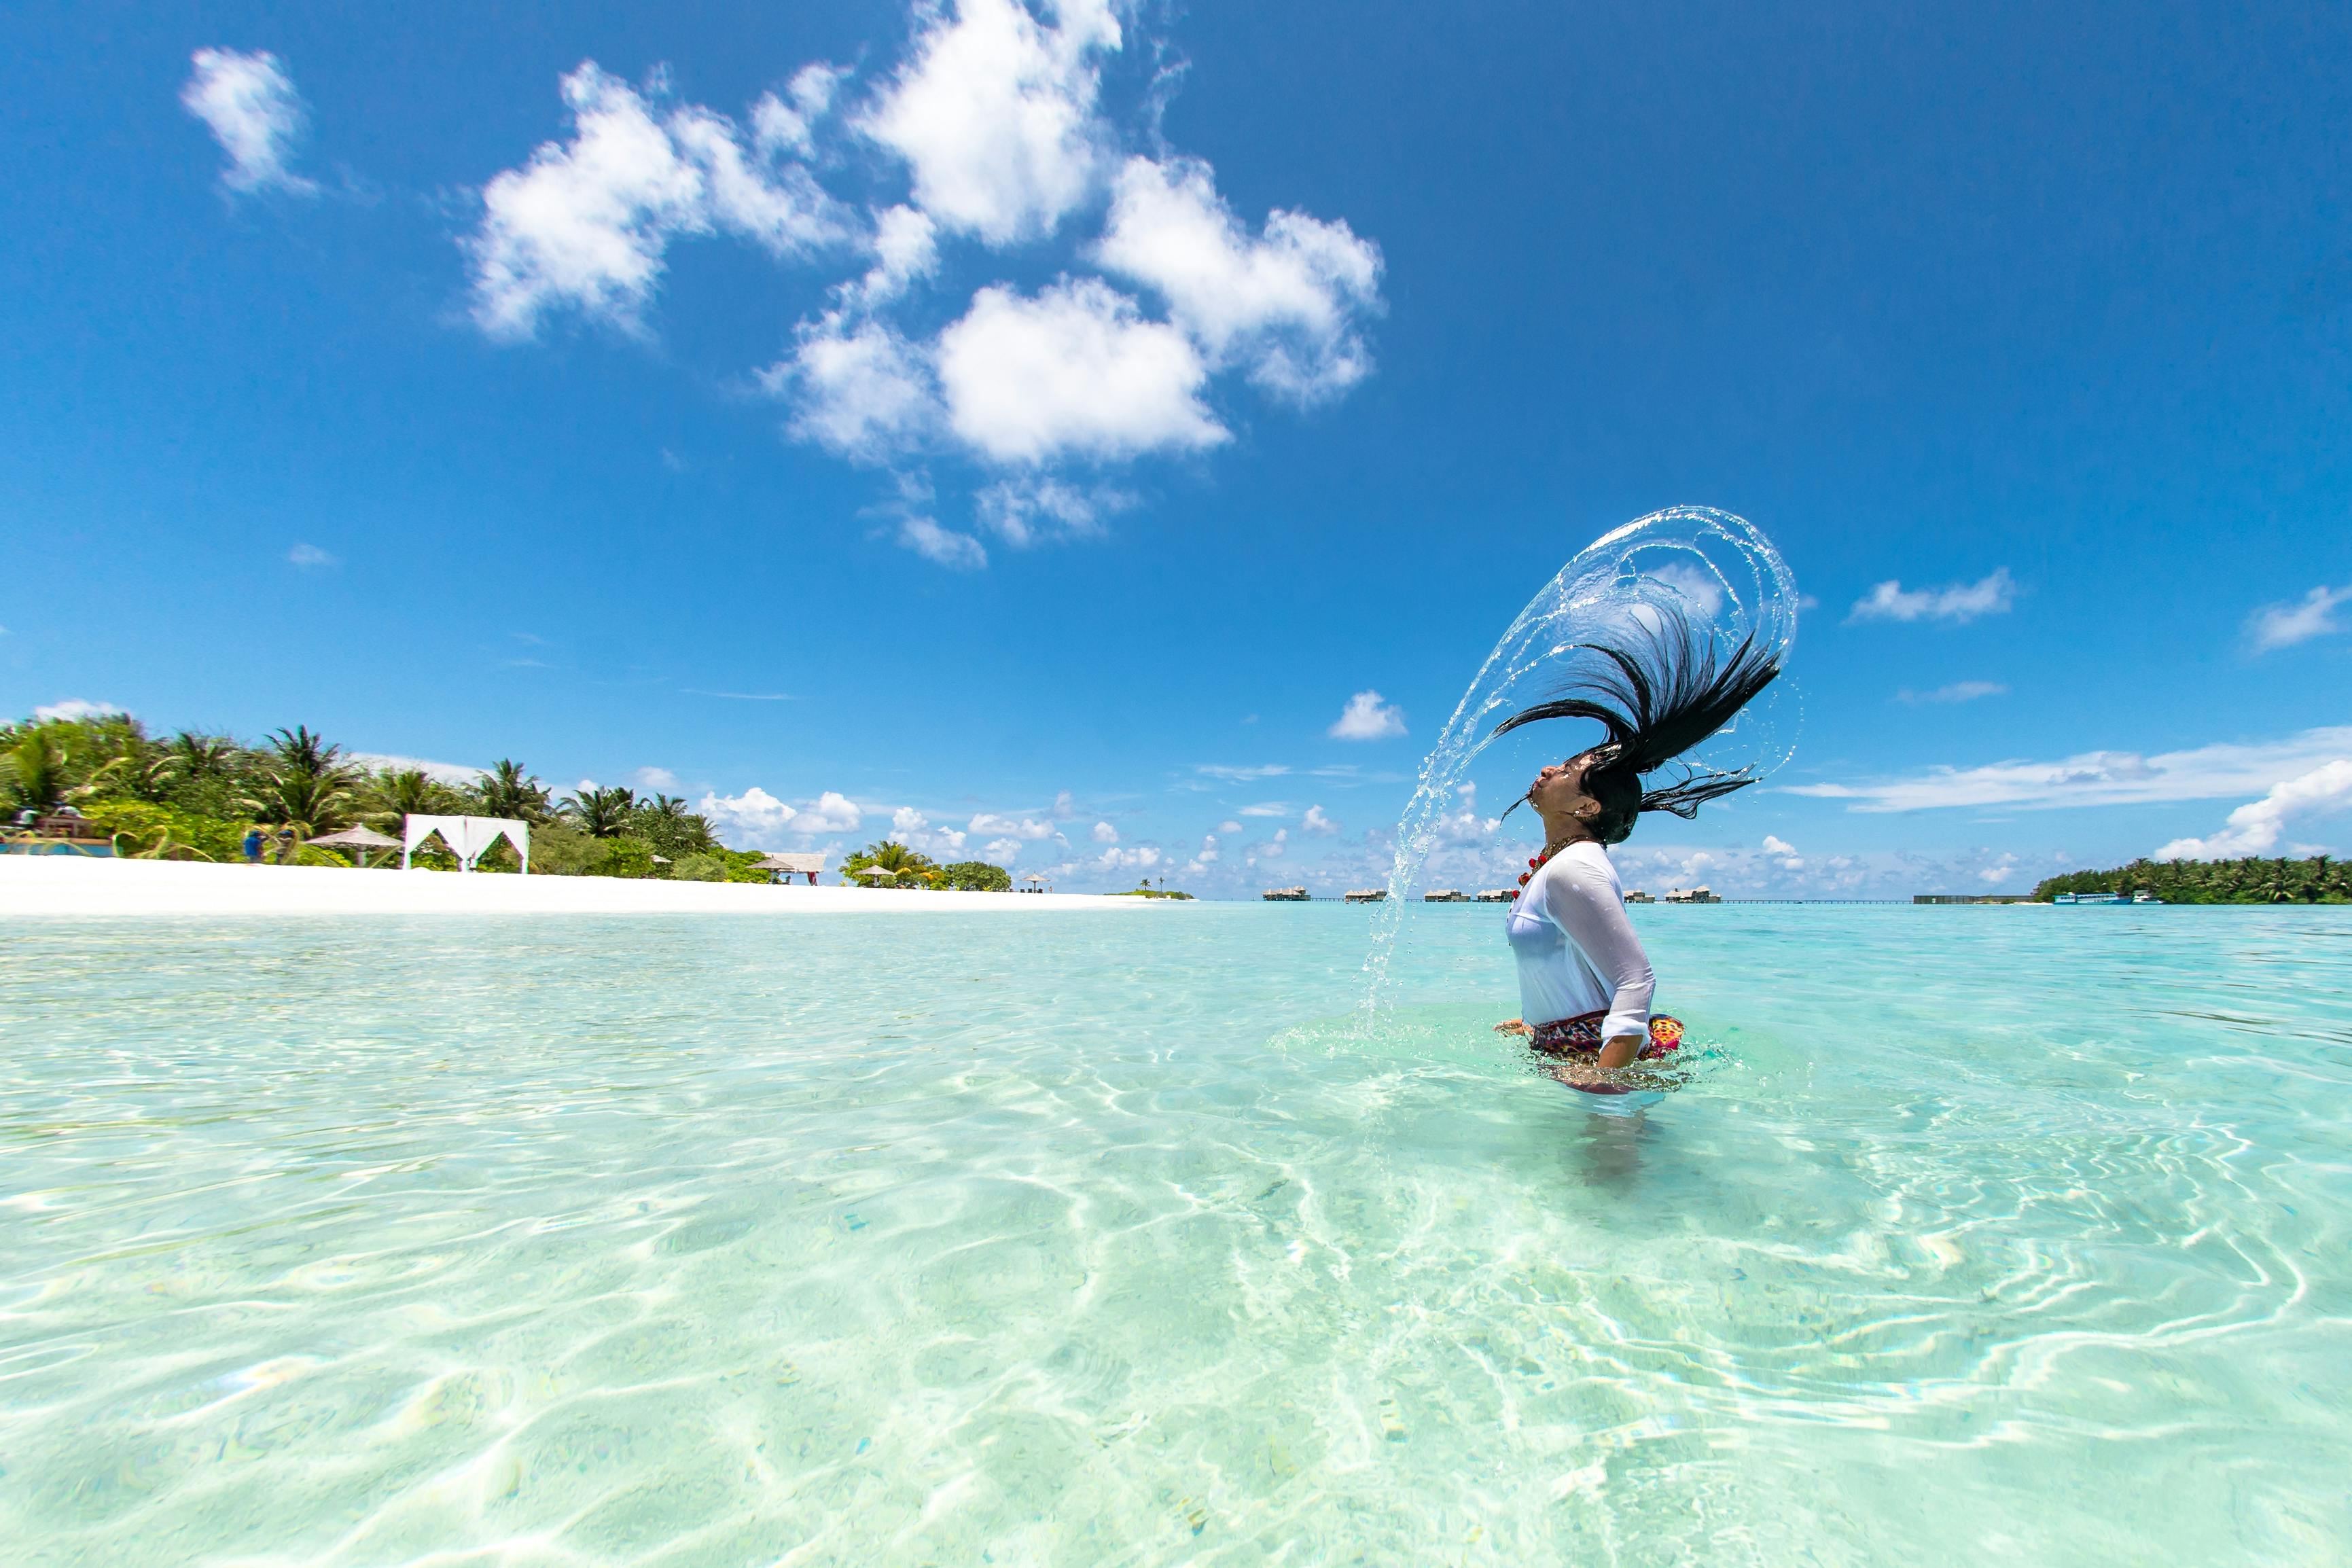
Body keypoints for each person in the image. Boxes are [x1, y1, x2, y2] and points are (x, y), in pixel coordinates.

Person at [1490, 602, 1783, 1092]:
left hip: (1599, 1057)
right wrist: (1540, 1023)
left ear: (1587, 807)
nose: (1546, 770)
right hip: (1572, 1042)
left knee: (1609, 1170)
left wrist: (1605, 1079)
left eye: (1565, 772)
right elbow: (1577, 958)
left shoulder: (1575, 868)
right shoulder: (1562, 866)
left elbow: (1636, 980)